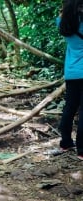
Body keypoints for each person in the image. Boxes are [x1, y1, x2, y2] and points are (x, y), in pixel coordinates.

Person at [57, 0, 83, 160]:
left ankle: (65, 143)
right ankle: (82, 150)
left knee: (70, 106)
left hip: (71, 72)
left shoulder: (61, 21)